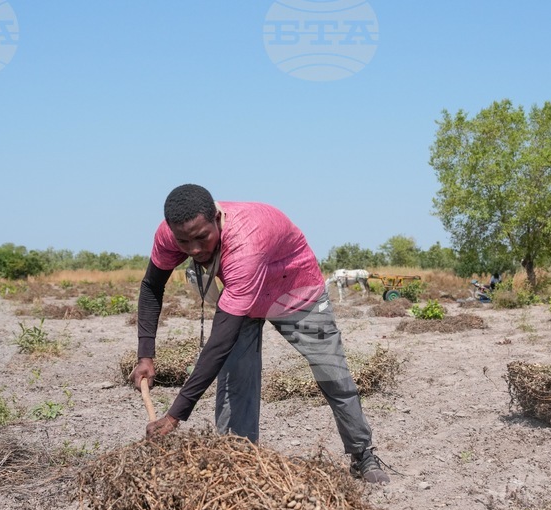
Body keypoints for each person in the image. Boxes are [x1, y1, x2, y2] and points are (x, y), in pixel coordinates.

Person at [129, 184, 390, 484]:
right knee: (236, 382)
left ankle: (363, 455)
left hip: (296, 293)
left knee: (333, 374)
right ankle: (238, 462)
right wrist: (145, 354)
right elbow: (151, 286)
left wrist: (174, 416)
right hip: (245, 298)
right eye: (184, 242)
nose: (195, 249)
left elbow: (218, 345)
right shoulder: (170, 234)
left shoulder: (246, 242)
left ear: (217, 218)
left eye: (202, 238)